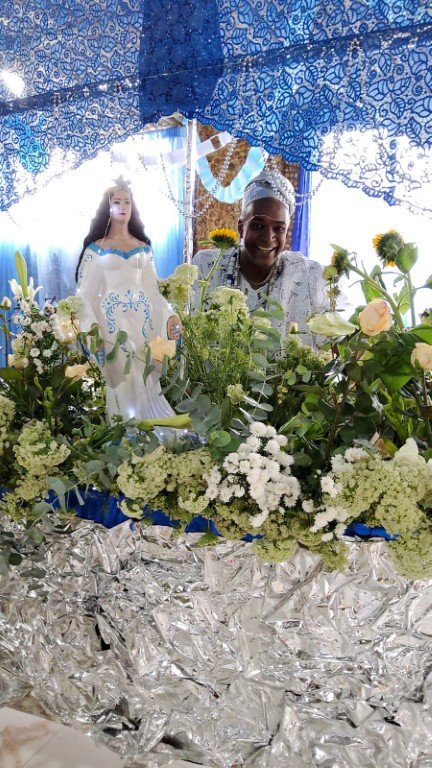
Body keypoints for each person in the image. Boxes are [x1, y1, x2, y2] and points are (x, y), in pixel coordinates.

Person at [76, 177, 180, 421]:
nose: (122, 206)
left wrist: (170, 316)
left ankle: (152, 432)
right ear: (108, 207)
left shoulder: (143, 248)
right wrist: (91, 329)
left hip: (142, 324)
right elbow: (85, 296)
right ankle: (124, 436)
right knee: (122, 380)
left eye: (127, 202)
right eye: (116, 201)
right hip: (111, 327)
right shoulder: (96, 249)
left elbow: (153, 292)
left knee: (144, 377)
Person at [192, 168, 327, 346]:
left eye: (278, 228)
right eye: (257, 225)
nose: (267, 237)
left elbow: (330, 343)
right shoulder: (208, 267)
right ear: (241, 228)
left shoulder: (308, 276)